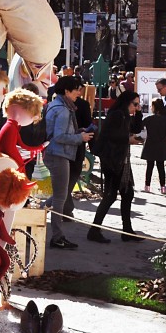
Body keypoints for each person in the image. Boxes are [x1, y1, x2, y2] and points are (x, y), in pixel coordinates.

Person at [42, 75, 94, 250]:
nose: (79, 93)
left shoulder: (56, 105)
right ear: (66, 91)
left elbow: (60, 132)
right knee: (60, 197)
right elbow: (59, 136)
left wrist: (77, 132)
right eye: (76, 90)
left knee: (59, 195)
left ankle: (36, 213)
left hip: (55, 153)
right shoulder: (63, 110)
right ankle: (57, 237)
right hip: (58, 154)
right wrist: (80, 137)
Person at [89, 90, 143, 243]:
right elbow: (110, 135)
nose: (136, 107)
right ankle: (94, 230)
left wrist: (138, 113)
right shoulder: (117, 114)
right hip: (112, 160)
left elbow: (136, 128)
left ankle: (127, 231)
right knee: (111, 195)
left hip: (121, 159)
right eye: (135, 104)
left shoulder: (125, 115)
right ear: (127, 102)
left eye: (138, 105)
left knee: (127, 193)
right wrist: (128, 139)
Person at [141, 99, 166, 194]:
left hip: (150, 144)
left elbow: (139, 125)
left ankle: (147, 186)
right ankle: (163, 187)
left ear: (154, 107)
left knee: (149, 167)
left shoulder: (148, 119)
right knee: (161, 167)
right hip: (161, 145)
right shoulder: (165, 119)